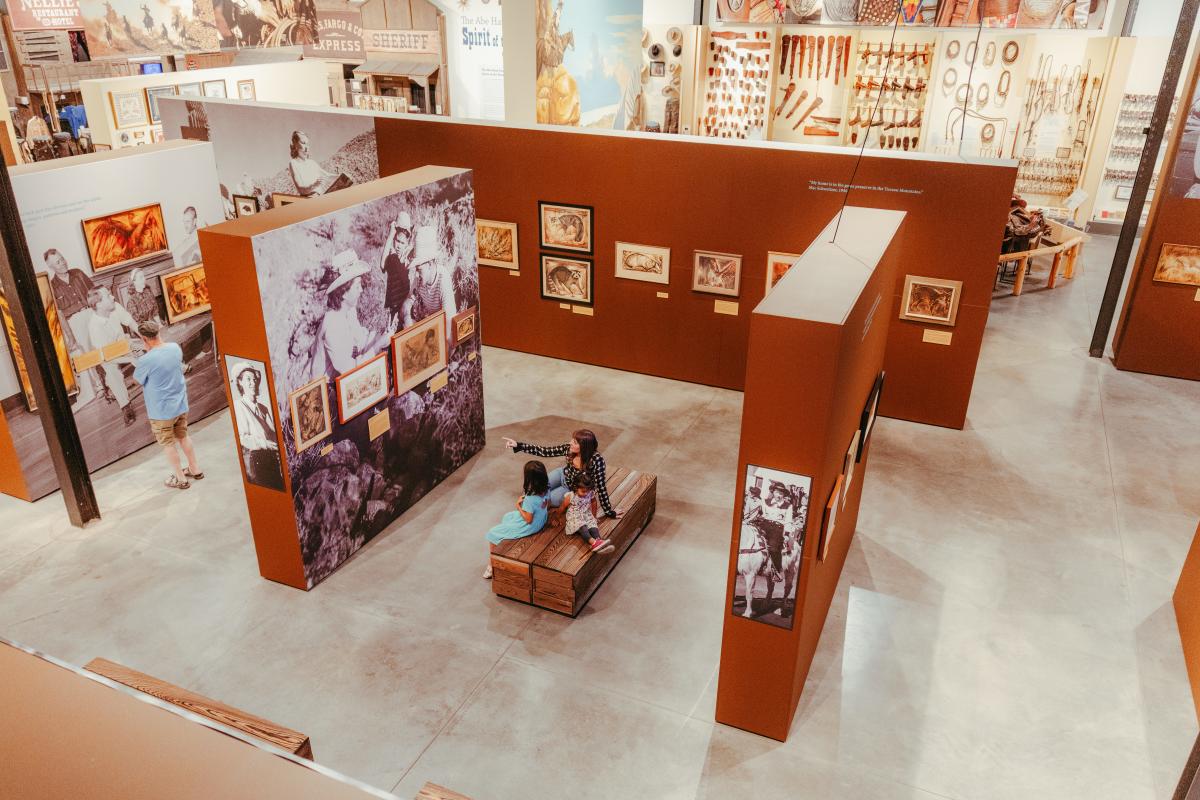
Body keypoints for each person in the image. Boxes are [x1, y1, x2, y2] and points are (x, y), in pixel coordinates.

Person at [133, 320, 202, 490]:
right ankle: (195, 469)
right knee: (184, 436)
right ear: (158, 332)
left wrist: (140, 357)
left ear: (144, 339)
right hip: (180, 405)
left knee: (168, 444)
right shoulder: (174, 348)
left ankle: (180, 478)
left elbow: (136, 380)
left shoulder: (145, 360)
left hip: (161, 411)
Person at [503, 429, 619, 518]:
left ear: (583, 446)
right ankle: (524, 511)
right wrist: (519, 445)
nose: (570, 443)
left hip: (570, 489)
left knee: (546, 501)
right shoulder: (568, 449)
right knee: (536, 490)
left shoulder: (596, 460)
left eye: (574, 442)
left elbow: (601, 486)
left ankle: (527, 512)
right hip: (562, 475)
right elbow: (545, 451)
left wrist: (609, 511)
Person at [318, 249, 390, 376]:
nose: (361, 290)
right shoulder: (332, 325)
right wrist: (377, 346)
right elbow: (349, 369)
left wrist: (380, 337)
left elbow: (360, 338)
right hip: (329, 389)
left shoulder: (348, 311)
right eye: (357, 286)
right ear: (344, 292)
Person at [482, 460, 551, 579]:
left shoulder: (530, 498)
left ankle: (491, 564)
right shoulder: (547, 487)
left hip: (531, 525)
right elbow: (547, 504)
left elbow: (528, 520)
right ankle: (507, 537)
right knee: (508, 516)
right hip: (541, 519)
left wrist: (518, 506)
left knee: (493, 533)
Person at [85, 287, 139, 425]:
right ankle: (125, 406)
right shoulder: (94, 327)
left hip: (124, 344)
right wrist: (131, 358)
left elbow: (131, 322)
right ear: (99, 304)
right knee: (112, 372)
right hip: (109, 356)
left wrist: (146, 337)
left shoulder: (115, 307)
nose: (113, 297)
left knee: (145, 352)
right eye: (108, 296)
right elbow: (108, 356)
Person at [230, 360, 284, 491]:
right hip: (257, 460)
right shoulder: (239, 406)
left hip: (273, 458)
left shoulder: (263, 408)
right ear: (240, 382)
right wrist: (264, 444)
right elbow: (242, 437)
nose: (253, 383)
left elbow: (273, 434)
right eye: (248, 379)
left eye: (254, 379)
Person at [404, 225, 457, 328]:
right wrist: (407, 317)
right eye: (416, 269)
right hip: (434, 324)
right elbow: (408, 302)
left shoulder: (443, 280)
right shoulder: (419, 279)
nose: (416, 274)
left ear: (430, 264)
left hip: (447, 326)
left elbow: (448, 322)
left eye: (419, 269)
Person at [556, 472, 613, 554]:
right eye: (583, 491)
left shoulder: (590, 492)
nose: (586, 493)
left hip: (586, 513)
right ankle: (593, 543)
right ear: (576, 488)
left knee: (593, 526)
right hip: (574, 516)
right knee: (583, 528)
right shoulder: (571, 496)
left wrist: (594, 516)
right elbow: (562, 507)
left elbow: (593, 502)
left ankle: (599, 542)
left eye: (588, 491)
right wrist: (557, 518)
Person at [379, 211, 414, 326]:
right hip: (394, 309)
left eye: (402, 243)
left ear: (407, 243)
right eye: (397, 241)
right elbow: (382, 265)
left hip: (407, 307)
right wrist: (390, 235)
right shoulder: (393, 259)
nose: (399, 245)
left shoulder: (408, 259)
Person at [758, 482, 795, 579]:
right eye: (777, 492)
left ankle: (776, 570)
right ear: (773, 492)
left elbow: (788, 522)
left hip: (777, 529)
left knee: (773, 548)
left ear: (784, 495)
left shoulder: (788, 506)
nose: (779, 495)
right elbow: (761, 514)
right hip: (764, 525)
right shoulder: (765, 501)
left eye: (781, 494)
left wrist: (786, 534)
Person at [288, 130, 335, 197]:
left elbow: (327, 176)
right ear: (295, 144)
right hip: (308, 200)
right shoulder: (294, 163)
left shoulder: (312, 163)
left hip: (321, 197)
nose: (306, 148)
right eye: (303, 143)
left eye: (307, 144)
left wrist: (342, 176)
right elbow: (300, 189)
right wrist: (314, 185)